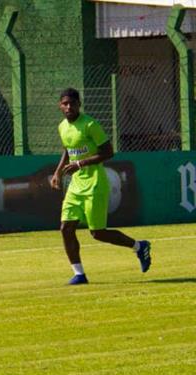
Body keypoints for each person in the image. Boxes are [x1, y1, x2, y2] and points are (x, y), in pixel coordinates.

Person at [51, 87, 151, 285]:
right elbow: (67, 148)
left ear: (79, 104)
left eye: (72, 103)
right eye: (65, 103)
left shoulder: (90, 125)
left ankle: (139, 246)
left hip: (95, 184)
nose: (69, 106)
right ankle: (79, 274)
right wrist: (58, 172)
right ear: (60, 106)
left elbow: (108, 152)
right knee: (65, 228)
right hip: (75, 186)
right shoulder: (62, 126)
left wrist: (80, 164)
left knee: (98, 233)